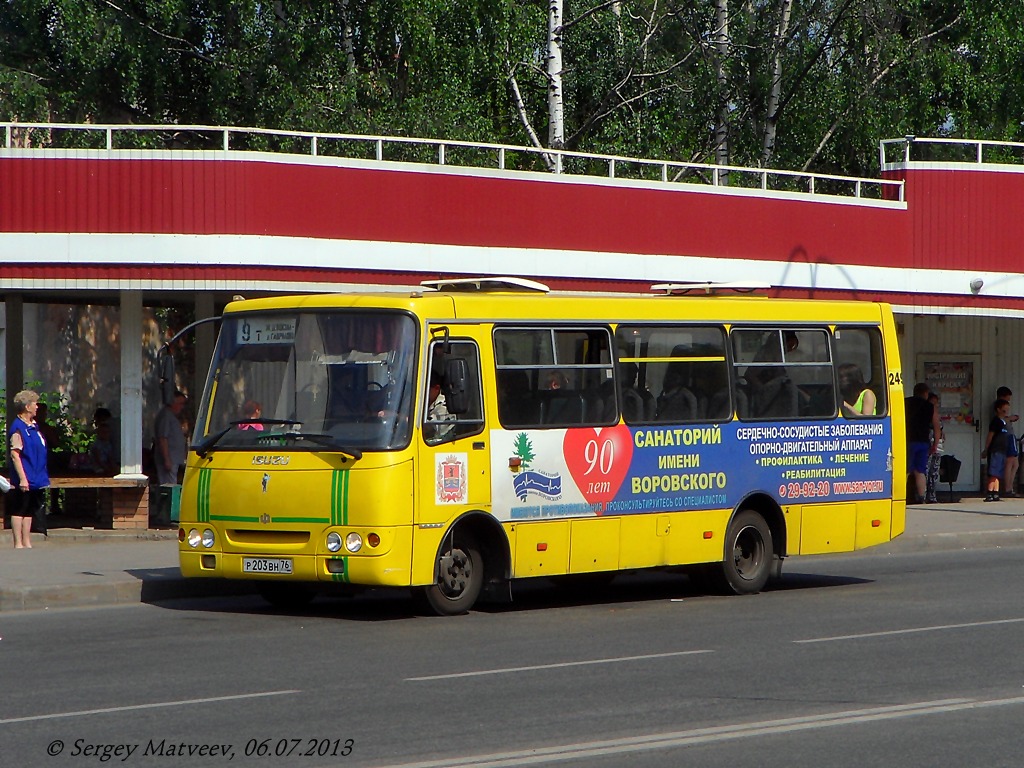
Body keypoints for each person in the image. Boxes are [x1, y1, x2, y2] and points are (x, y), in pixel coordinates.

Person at [7, 390, 50, 548]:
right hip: (25, 475)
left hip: (36, 474)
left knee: (30, 509)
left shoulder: (34, 427)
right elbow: (15, 455)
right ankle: (18, 543)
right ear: (27, 407)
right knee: (20, 508)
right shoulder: (18, 428)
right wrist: (23, 478)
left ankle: (27, 541)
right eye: (34, 404)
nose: (37, 407)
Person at [905, 382, 941, 505]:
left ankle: (902, 495)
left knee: (905, 470)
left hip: (907, 441)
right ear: (925, 393)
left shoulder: (905, 403)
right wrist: (935, 444)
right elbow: (937, 427)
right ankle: (921, 497)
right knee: (920, 471)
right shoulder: (930, 407)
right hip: (923, 442)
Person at [154, 390, 187, 486]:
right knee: (169, 486)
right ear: (173, 403)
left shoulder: (172, 416)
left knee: (172, 484)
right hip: (169, 460)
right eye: (180, 404)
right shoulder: (165, 416)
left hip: (174, 460)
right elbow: (163, 438)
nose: (182, 407)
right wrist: (167, 459)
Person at [982, 399, 1012, 502]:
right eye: (1004, 411)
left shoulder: (1004, 422)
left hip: (1002, 450)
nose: (1006, 413)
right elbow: (990, 435)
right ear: (998, 410)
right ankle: (990, 492)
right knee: (993, 472)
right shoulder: (996, 421)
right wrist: (986, 449)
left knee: (998, 472)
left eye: (1007, 411)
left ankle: (996, 492)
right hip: (995, 450)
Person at [995, 386, 1018, 497]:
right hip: (1007, 436)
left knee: (1015, 463)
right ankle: (1008, 488)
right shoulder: (999, 406)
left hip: (1009, 435)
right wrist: (1011, 418)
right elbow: (1000, 419)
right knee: (1010, 462)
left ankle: (1009, 486)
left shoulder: (1003, 407)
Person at [925, 392, 944, 503]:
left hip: (936, 444)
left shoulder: (936, 413)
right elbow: (936, 428)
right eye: (933, 402)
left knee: (934, 470)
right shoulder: (929, 412)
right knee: (928, 469)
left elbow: (939, 428)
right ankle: (927, 494)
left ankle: (931, 494)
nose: (935, 405)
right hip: (932, 443)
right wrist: (935, 444)